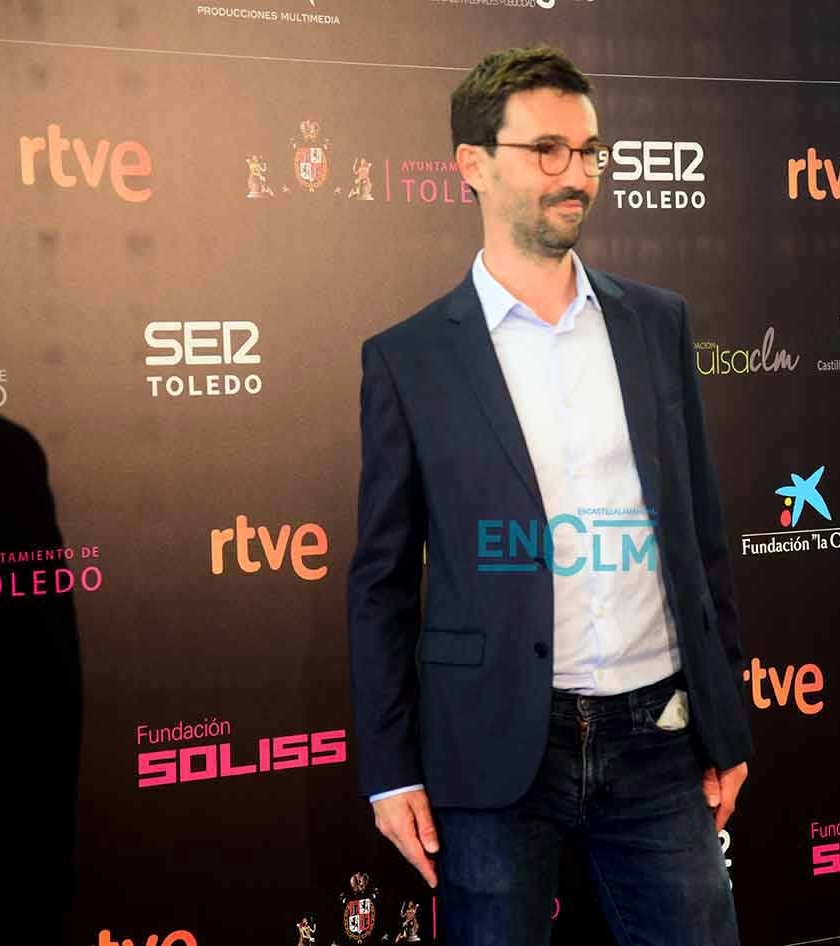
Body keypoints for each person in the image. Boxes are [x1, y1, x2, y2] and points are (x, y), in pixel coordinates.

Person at [346, 45, 751, 946]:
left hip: (660, 737)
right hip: (490, 745)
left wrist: (725, 725)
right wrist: (388, 768)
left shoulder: (657, 323)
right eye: (547, 151)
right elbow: (381, 584)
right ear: (472, 165)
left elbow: (699, 536)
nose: (578, 175)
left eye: (590, 150)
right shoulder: (409, 359)